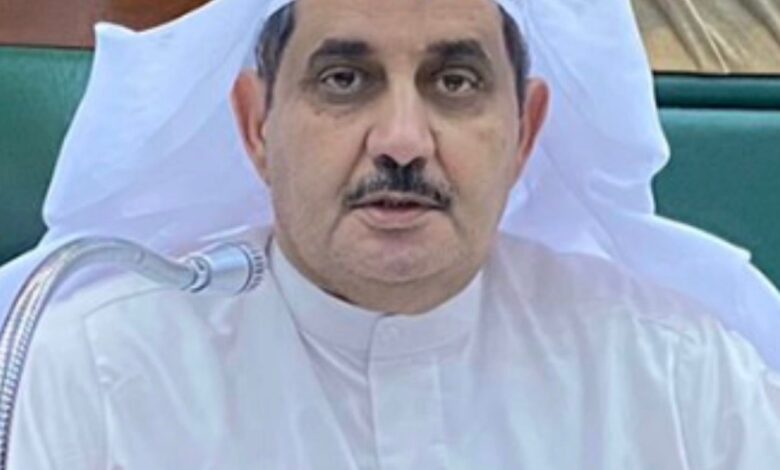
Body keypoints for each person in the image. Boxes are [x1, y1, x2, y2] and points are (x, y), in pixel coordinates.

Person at [5, 0, 780, 468]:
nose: (402, 141)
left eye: (455, 82)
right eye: (345, 80)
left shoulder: (683, 378)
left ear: (526, 131)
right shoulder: (96, 373)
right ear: (256, 126)